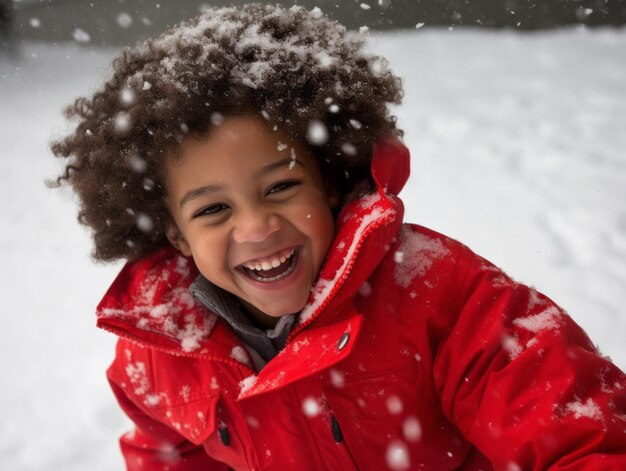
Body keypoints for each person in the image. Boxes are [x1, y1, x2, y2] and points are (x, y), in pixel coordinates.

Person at [51, 4, 626, 470]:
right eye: (214, 209)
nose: (255, 227)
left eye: (280, 187)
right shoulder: (161, 349)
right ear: (176, 234)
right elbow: (167, 457)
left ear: (328, 181)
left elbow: (586, 438)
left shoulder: (441, 294)